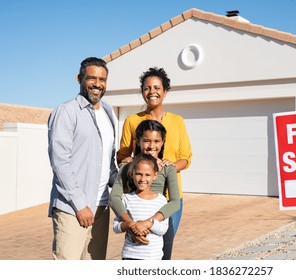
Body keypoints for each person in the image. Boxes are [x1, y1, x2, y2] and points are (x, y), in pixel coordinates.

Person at [47, 57, 118, 260]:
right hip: (73, 209)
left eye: (102, 79)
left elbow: (109, 163)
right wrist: (80, 205)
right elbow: (60, 162)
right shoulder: (66, 112)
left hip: (102, 207)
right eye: (91, 78)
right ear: (79, 78)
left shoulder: (108, 112)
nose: (97, 84)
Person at [116, 67, 192, 235]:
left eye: (157, 88)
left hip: (171, 196)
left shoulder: (177, 121)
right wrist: (129, 162)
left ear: (165, 92)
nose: (152, 92)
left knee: (165, 246)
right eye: (147, 88)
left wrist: (168, 167)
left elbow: (186, 158)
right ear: (142, 91)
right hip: (141, 196)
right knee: (140, 240)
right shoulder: (132, 121)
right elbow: (122, 156)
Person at [110, 120, 179, 259]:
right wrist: (132, 225)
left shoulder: (168, 168)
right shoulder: (127, 166)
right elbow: (114, 198)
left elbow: (175, 202)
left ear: (163, 142)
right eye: (147, 141)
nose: (152, 146)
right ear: (138, 141)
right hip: (133, 224)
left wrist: (147, 224)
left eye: (156, 141)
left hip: (160, 224)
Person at [113, 153, 169, 260]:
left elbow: (164, 229)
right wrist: (131, 225)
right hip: (130, 256)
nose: (142, 179)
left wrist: (148, 224)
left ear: (155, 175)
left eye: (147, 175)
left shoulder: (161, 200)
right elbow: (116, 227)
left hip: (153, 257)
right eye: (138, 174)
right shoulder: (126, 199)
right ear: (132, 174)